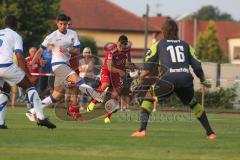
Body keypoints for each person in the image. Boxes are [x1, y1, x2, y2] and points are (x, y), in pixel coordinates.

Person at [131, 19, 216, 139]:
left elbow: (147, 67)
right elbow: (197, 66)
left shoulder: (158, 45)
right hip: (185, 79)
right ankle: (210, 133)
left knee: (148, 97)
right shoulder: (186, 45)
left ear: (163, 32)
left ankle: (142, 130)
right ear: (177, 31)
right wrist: (203, 80)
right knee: (193, 103)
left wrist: (139, 79)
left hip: (168, 80)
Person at [25, 14, 106, 122]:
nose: (63, 26)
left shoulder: (72, 34)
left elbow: (77, 50)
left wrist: (67, 50)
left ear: (68, 24)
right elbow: (40, 50)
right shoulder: (52, 36)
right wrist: (32, 62)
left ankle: (33, 111)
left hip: (66, 65)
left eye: (65, 24)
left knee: (56, 95)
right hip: (58, 65)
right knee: (78, 81)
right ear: (57, 24)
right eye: (61, 24)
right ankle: (97, 95)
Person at [0, 15, 56, 129]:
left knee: (5, 89)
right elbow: (19, 56)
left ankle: (0, 123)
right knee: (30, 87)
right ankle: (41, 118)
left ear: (5, 23)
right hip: (6, 66)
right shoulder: (15, 35)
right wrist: (29, 75)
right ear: (16, 24)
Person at [87, 35, 133, 123]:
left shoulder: (127, 50)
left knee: (115, 95)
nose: (122, 48)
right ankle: (93, 102)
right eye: (120, 45)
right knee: (105, 84)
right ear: (117, 43)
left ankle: (107, 117)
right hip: (107, 71)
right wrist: (120, 71)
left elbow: (128, 62)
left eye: (124, 46)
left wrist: (131, 68)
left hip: (118, 75)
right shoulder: (112, 50)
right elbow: (109, 66)